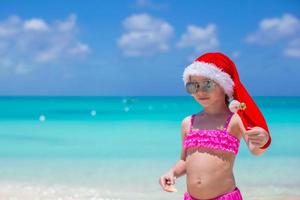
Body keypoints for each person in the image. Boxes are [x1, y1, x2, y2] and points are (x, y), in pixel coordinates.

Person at [158, 52, 272, 200]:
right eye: (193, 86)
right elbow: (185, 161)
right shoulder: (188, 123)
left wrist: (262, 139)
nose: (200, 91)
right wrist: (172, 173)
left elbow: (255, 150)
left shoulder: (235, 120)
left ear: (224, 86)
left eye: (207, 85)